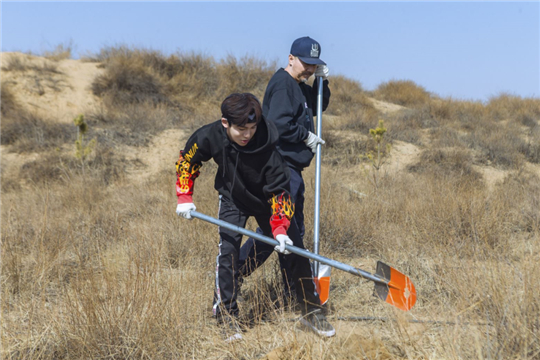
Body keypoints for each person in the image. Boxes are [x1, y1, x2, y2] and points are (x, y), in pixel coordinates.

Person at [175, 93, 335, 342]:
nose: (247, 134)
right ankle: (227, 317)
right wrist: (184, 196)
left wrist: (280, 228)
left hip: (267, 201)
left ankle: (311, 311)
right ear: (225, 123)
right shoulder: (210, 135)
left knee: (296, 250)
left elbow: (280, 191)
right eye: (241, 129)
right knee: (227, 252)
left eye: (252, 127)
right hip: (232, 198)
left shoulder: (268, 144)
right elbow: (188, 159)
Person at [239, 36, 330, 302]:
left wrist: (324, 82)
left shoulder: (300, 86)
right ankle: (236, 272)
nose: (310, 69)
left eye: (315, 65)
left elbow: (319, 106)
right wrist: (305, 136)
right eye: (306, 63)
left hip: (293, 169)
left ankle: (294, 291)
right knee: (278, 230)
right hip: (280, 168)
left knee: (292, 232)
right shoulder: (282, 84)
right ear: (291, 59)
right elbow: (278, 123)